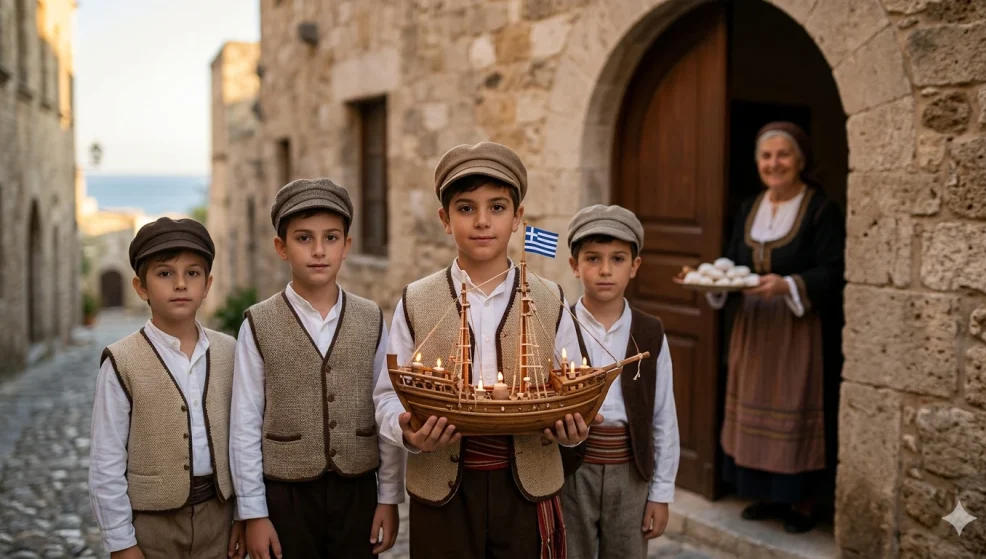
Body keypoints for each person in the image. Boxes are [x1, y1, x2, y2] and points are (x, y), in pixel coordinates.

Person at [373, 141, 593, 559]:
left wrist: (572, 431)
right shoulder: (416, 301)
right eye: (465, 208)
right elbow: (387, 394)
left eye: (496, 207)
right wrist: (407, 432)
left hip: (526, 489)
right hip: (443, 490)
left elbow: (573, 380)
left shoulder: (549, 299)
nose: (482, 221)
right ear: (445, 219)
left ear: (517, 218)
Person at [230, 178, 404, 559]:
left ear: (347, 246)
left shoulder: (372, 318)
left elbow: (386, 408)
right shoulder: (257, 324)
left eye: (331, 237)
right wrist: (254, 512)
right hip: (285, 494)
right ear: (282, 247)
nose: (319, 250)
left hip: (357, 490)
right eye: (304, 238)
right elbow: (243, 424)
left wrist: (389, 497)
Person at [707, 122, 845, 534]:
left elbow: (835, 269)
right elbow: (733, 260)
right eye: (766, 156)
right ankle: (766, 493)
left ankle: (801, 501)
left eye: (783, 155)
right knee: (753, 404)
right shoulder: (750, 207)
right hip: (754, 327)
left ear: (800, 160)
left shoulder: (820, 209)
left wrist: (788, 284)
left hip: (797, 330)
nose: (774, 163)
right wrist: (719, 283)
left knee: (794, 405)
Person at [89, 217, 244, 559]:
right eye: (164, 273)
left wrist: (243, 516)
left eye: (192, 273)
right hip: (151, 527)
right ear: (140, 287)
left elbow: (243, 440)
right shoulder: (121, 361)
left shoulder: (231, 352)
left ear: (207, 284)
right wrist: (121, 542)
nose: (180, 284)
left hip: (218, 518)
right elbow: (106, 460)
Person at [560, 205, 681, 559]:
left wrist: (660, 493)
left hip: (631, 474)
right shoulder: (558, 327)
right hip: (570, 473)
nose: (605, 270)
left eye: (617, 259)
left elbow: (663, 417)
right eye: (593, 259)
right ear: (574, 265)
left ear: (635, 266)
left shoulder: (650, 331)